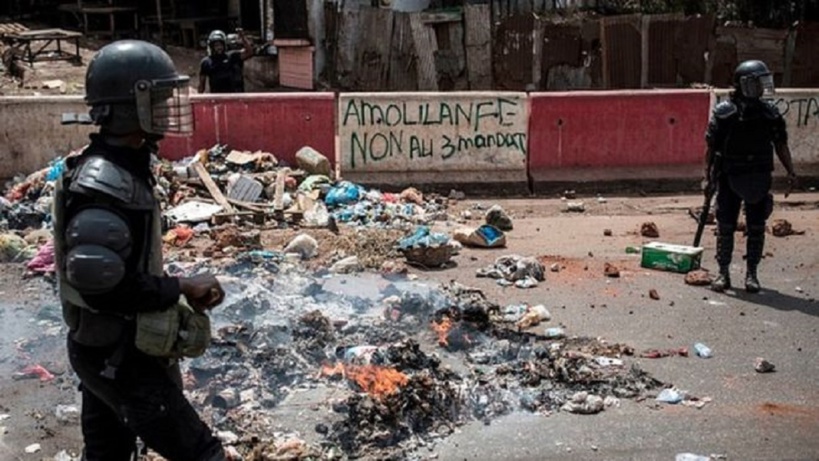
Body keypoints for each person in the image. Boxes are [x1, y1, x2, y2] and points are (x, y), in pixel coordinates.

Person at [54, 40, 229, 461]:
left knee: (107, 454)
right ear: (133, 104)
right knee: (202, 454)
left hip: (104, 350)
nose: (169, 110)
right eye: (160, 99)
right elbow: (103, 288)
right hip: (119, 357)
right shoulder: (102, 183)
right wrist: (181, 286)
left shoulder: (124, 169)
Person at [703, 59, 798, 294]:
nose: (761, 87)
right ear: (743, 84)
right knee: (725, 225)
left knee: (756, 226)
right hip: (729, 174)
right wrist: (707, 176)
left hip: (758, 174)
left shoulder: (769, 114)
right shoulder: (725, 113)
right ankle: (723, 272)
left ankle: (751, 274)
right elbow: (711, 147)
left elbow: (780, 143)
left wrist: (790, 171)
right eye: (756, 82)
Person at [198, 29, 253, 93]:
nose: (219, 48)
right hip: (217, 98)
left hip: (235, 96)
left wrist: (243, 38)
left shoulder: (232, 56)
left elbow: (249, 52)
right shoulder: (206, 62)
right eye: (216, 45)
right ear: (212, 47)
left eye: (220, 45)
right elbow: (202, 85)